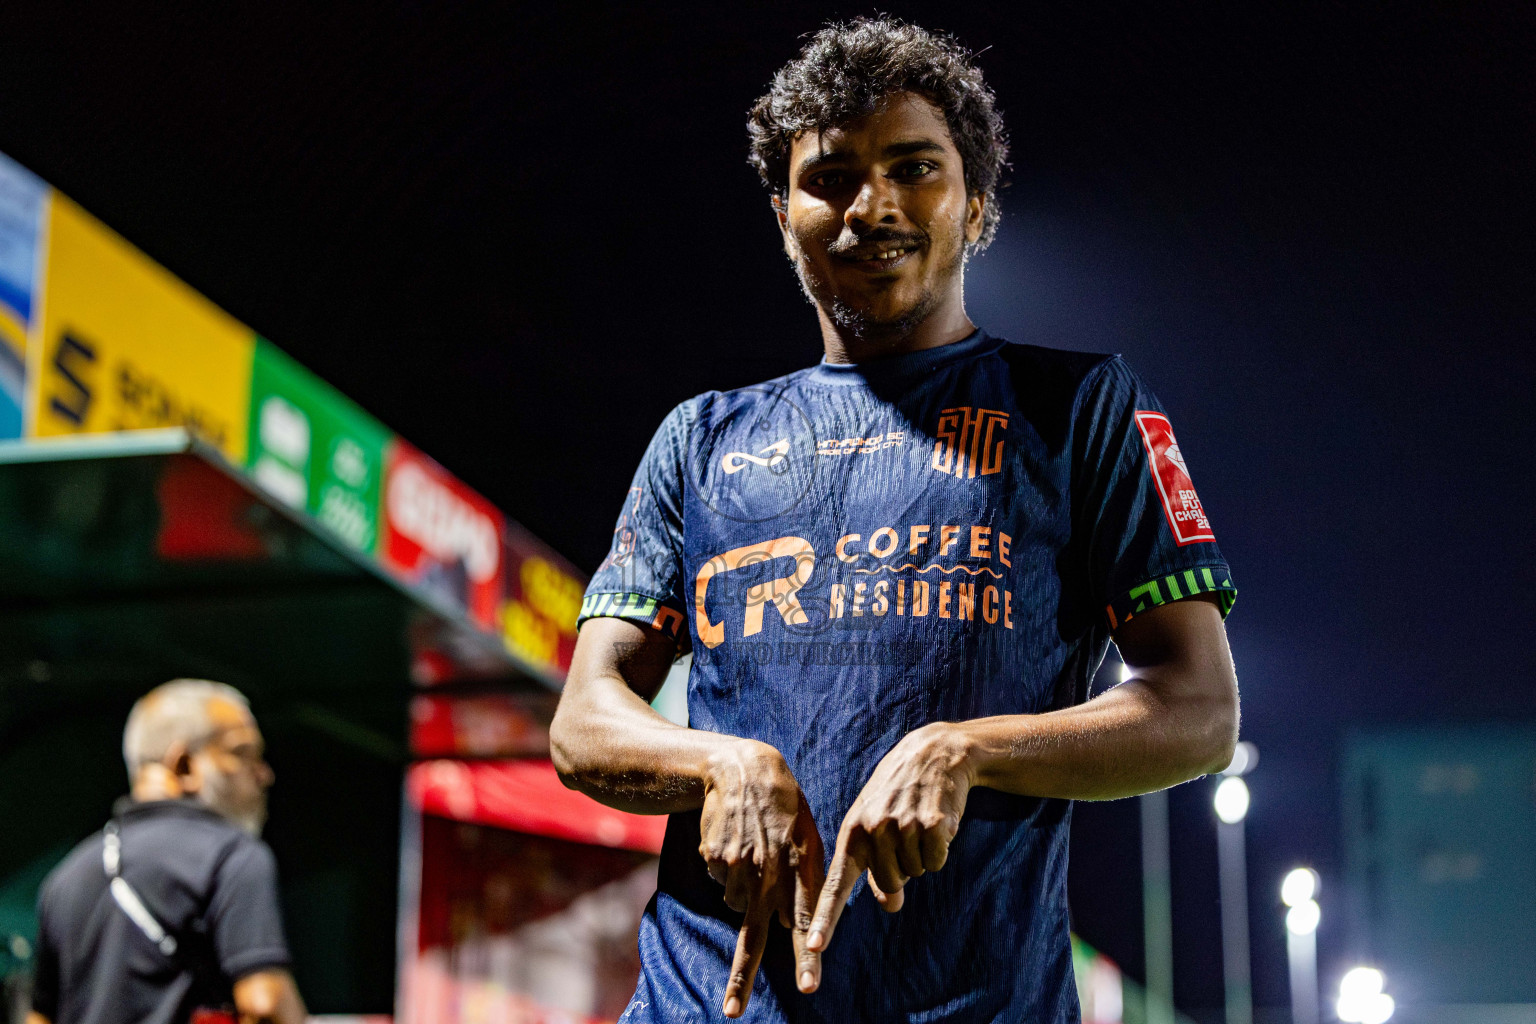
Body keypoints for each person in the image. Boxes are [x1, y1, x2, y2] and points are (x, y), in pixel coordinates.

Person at [550, 16, 1240, 1023]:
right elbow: (584, 719)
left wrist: (966, 749)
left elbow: (1200, 710)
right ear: (784, 214)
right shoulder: (700, 438)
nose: (871, 207)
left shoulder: (1081, 409)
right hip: (703, 1003)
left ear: (975, 203)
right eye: (830, 178)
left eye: (913, 168)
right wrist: (718, 763)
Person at [28, 680, 306, 1024]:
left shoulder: (65, 878)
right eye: (241, 753)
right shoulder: (231, 855)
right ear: (184, 765)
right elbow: (266, 1004)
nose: (264, 774)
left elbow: (39, 1018)